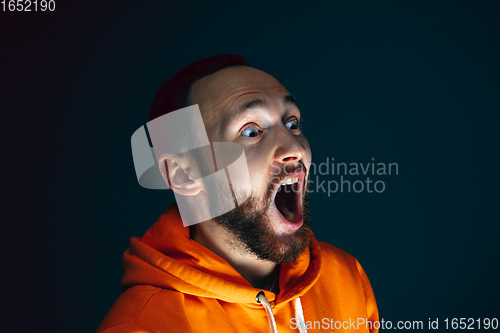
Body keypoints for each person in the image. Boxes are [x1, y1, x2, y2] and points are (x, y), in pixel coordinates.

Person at [97, 55, 379, 333]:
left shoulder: (346, 278)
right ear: (182, 174)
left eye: (292, 124)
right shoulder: (140, 326)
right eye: (252, 131)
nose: (295, 147)